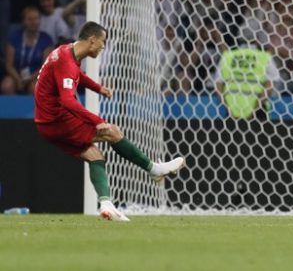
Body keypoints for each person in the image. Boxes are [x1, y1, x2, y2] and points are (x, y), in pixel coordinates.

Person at [34, 21, 185, 221]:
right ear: (92, 40)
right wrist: (97, 121)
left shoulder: (66, 51)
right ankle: (154, 169)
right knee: (112, 132)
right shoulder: (67, 61)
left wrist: (98, 88)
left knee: (95, 155)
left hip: (46, 123)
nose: (104, 46)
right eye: (102, 41)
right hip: (58, 121)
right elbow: (68, 101)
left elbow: (76, 75)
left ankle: (106, 205)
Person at [215, 39, 280, 120]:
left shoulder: (227, 56)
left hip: (232, 111)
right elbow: (269, 87)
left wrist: (228, 108)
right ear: (256, 41)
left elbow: (218, 85)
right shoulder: (264, 57)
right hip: (258, 111)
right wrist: (255, 109)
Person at [1, 6, 53, 94]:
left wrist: (29, 79)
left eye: (36, 19)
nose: (33, 22)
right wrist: (18, 79)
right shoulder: (13, 37)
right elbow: (9, 65)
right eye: (29, 19)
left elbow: (45, 67)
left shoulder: (46, 39)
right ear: (23, 21)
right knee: (7, 86)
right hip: (15, 75)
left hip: (36, 76)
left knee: (35, 87)